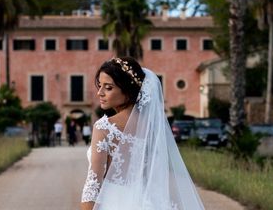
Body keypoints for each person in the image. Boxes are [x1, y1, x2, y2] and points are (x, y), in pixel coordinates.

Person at [80, 57, 205, 210]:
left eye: (108, 87)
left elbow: (93, 184)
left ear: (127, 90)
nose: (100, 93)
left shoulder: (104, 127)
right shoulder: (153, 127)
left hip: (113, 203)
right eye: (100, 86)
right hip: (148, 203)